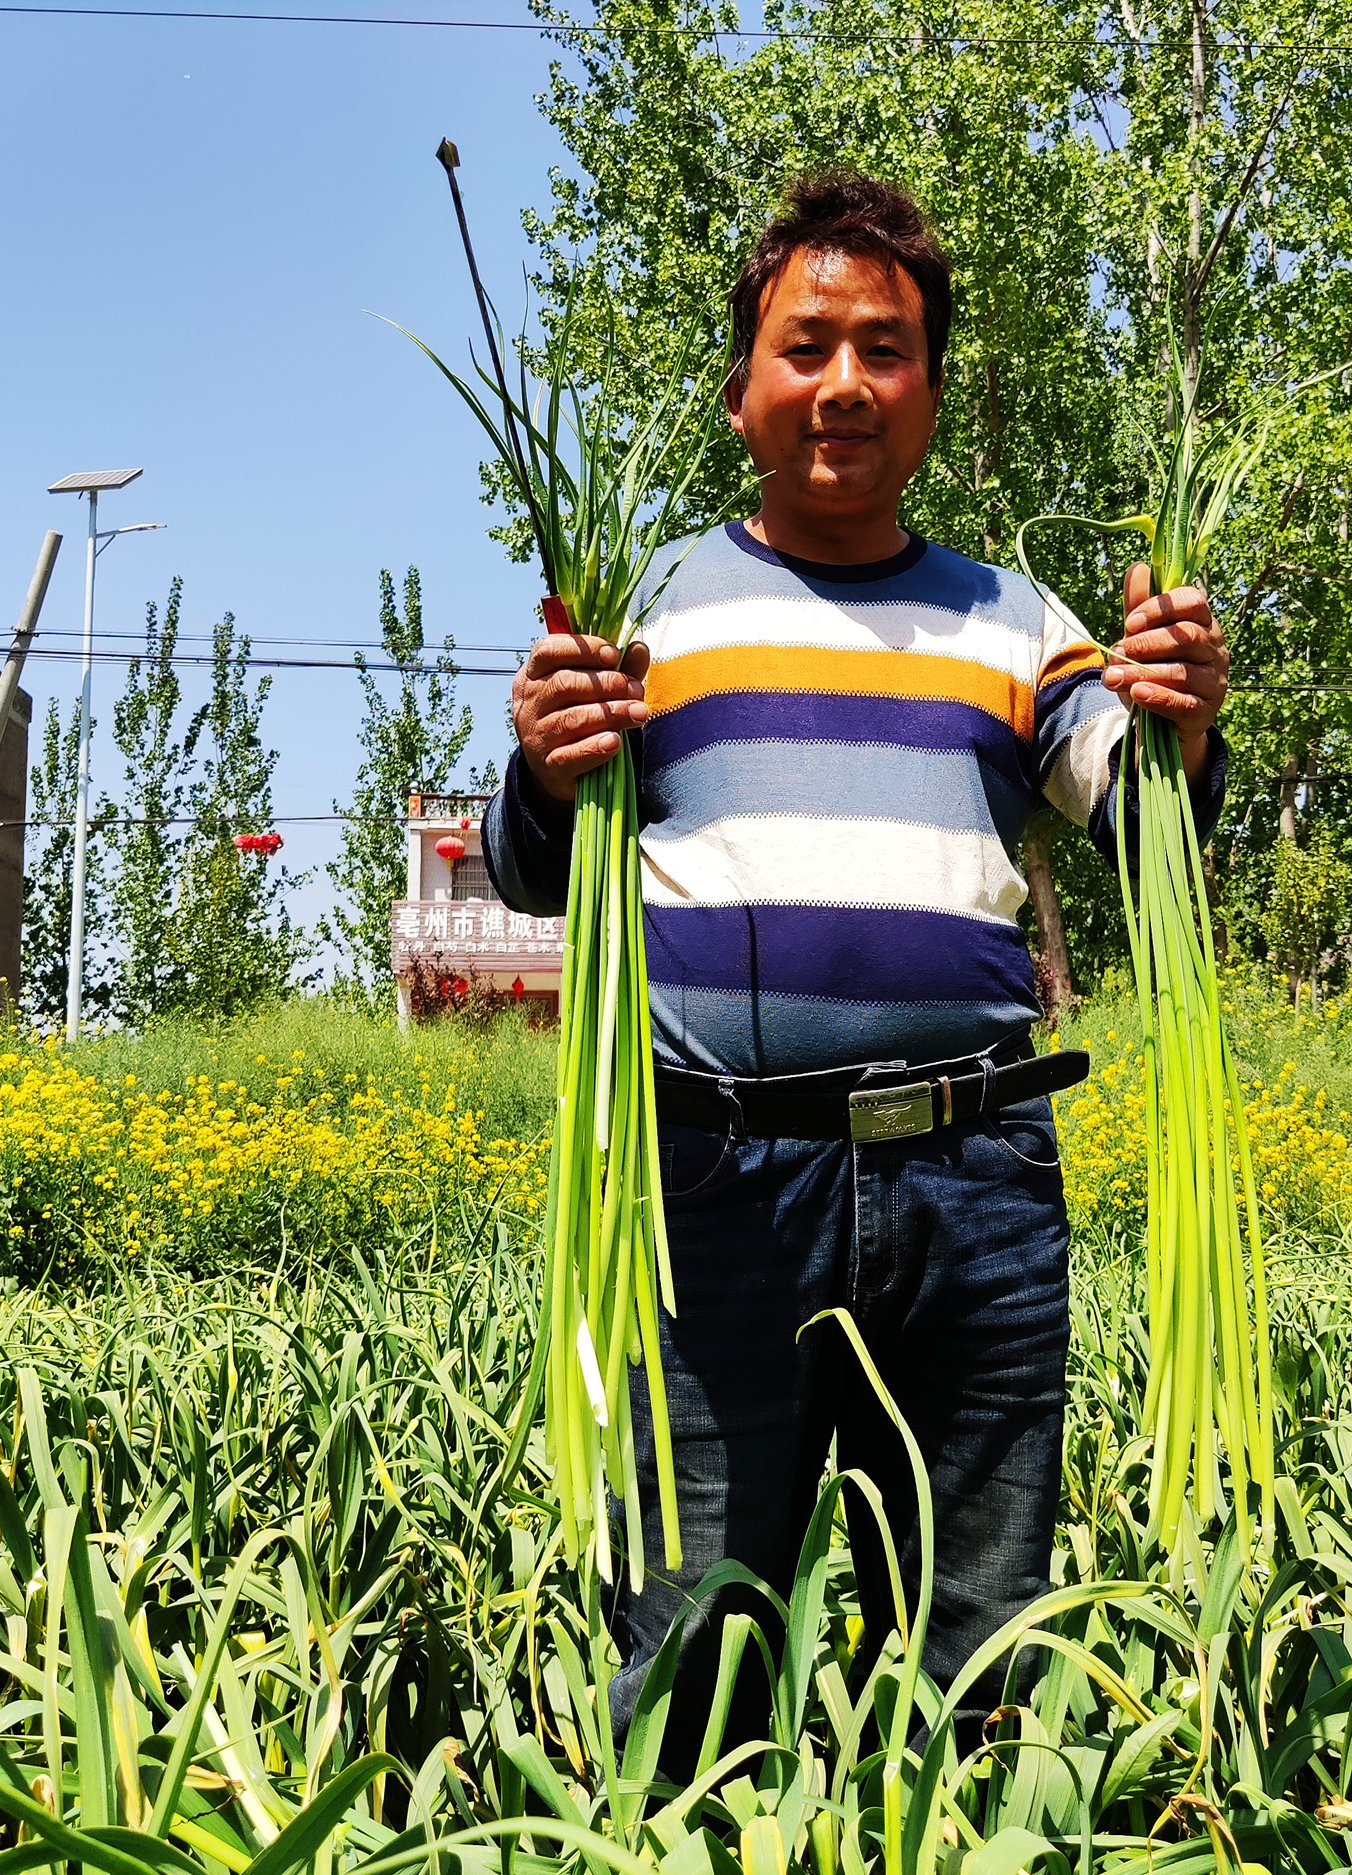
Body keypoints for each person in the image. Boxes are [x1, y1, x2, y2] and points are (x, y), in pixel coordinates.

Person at [483, 171, 1231, 1750]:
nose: (844, 384)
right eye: (806, 346)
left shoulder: (1017, 621)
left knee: (975, 1651)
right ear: (743, 390)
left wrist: (1179, 715)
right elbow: (540, 871)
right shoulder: (648, 607)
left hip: (975, 1188)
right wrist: (545, 767)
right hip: (710, 1192)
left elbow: (1134, 815)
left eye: (886, 351)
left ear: (932, 394)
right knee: (691, 1647)